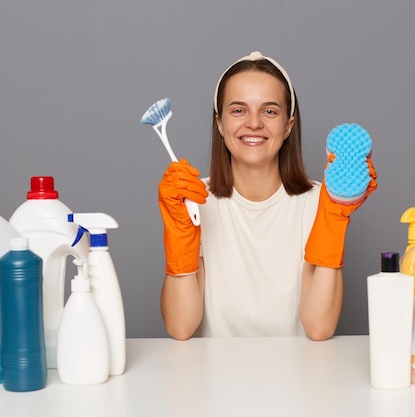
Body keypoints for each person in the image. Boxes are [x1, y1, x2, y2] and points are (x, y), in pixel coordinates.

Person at [158, 51, 377, 341]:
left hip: (299, 379)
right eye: (238, 110)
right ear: (220, 124)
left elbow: (319, 327)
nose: (254, 123)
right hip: (212, 379)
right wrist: (179, 233)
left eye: (270, 111)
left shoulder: (320, 203)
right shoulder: (193, 201)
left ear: (288, 125)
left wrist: (333, 218)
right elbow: (180, 327)